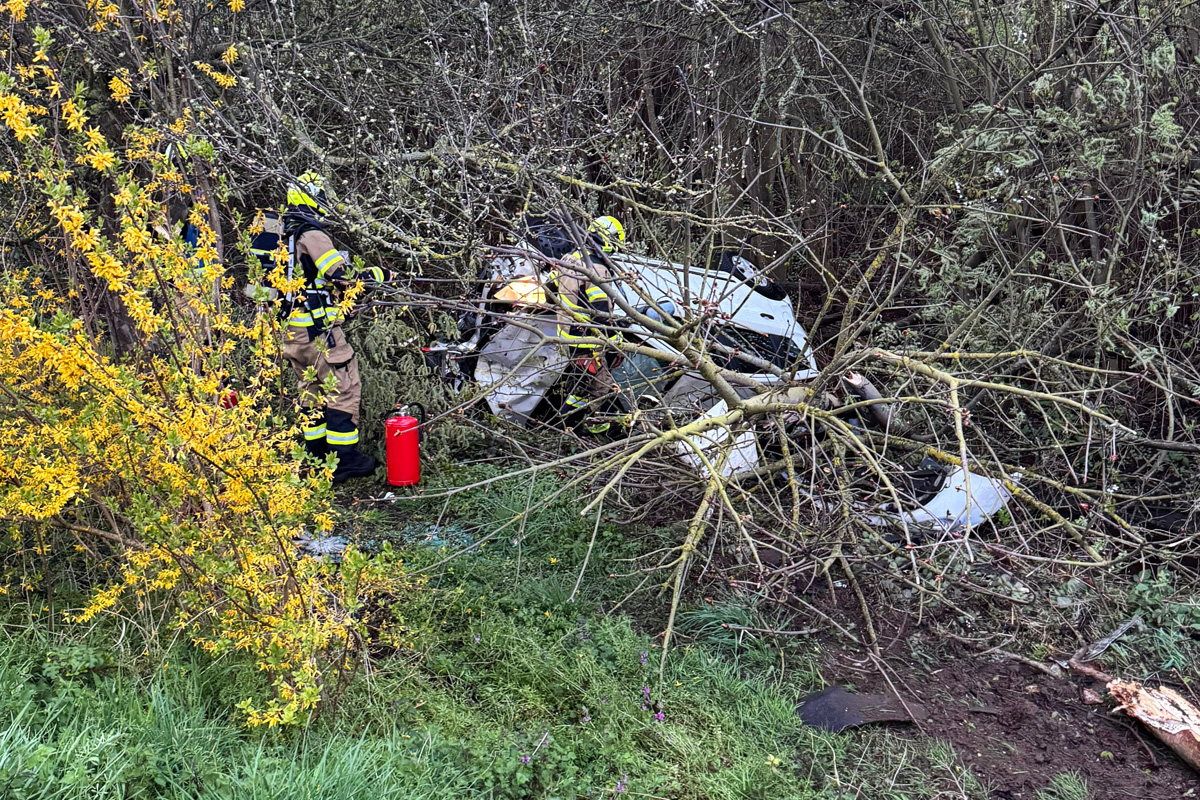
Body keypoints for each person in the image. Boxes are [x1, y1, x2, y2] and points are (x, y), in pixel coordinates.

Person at [274, 172, 387, 483]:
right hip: (319, 334)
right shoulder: (311, 234)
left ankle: (315, 458)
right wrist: (379, 275)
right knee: (343, 390)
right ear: (312, 197)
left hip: (291, 335)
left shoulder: (279, 234)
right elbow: (342, 275)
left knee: (310, 392)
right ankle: (344, 461)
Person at [547, 215, 627, 435]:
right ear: (606, 239)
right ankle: (605, 432)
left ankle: (565, 428)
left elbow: (549, 292)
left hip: (567, 336)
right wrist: (615, 339)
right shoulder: (597, 269)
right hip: (587, 339)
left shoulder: (569, 259)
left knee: (582, 387)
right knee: (603, 387)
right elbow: (601, 313)